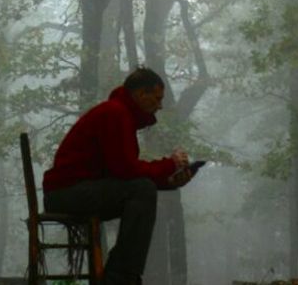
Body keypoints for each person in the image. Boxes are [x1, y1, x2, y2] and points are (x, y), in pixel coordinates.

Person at [42, 67, 197, 285]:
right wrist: (169, 164)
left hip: (74, 191)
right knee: (142, 189)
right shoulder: (115, 113)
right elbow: (125, 170)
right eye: (157, 97)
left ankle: (121, 276)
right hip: (66, 193)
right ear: (141, 94)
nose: (160, 105)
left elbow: (125, 174)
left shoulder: (118, 114)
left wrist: (169, 181)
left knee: (143, 188)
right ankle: (120, 278)